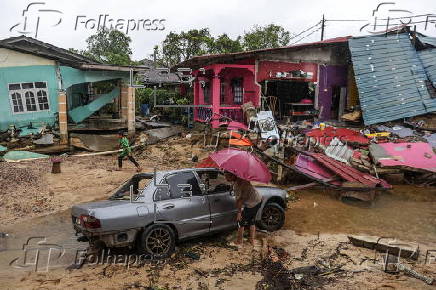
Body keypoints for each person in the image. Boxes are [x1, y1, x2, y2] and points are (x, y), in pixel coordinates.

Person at [224, 172, 262, 247]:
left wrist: (239, 213)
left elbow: (240, 201)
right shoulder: (241, 178)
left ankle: (239, 242)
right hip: (258, 200)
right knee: (252, 220)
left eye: (226, 176)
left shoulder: (238, 186)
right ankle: (251, 240)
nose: (225, 178)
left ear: (232, 176)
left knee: (240, 222)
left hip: (252, 204)